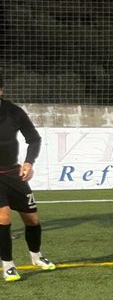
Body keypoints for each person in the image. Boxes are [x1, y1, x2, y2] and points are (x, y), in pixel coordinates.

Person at [0, 82, 56, 283]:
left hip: (13, 174)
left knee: (32, 219)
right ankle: (8, 265)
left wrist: (29, 163)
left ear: (1, 90)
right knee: (3, 217)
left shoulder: (14, 112)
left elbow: (34, 139)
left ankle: (36, 256)